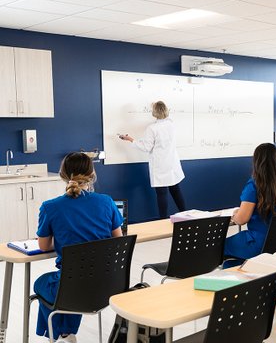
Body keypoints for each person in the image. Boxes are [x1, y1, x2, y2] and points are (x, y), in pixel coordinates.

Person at [34, 152, 123, 342]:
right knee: (73, 280)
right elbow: (118, 240)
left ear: (63, 175)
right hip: (107, 285)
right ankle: (66, 332)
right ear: (92, 175)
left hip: (73, 287)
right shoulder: (107, 201)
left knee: (44, 283)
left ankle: (60, 333)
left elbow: (43, 246)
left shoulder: (50, 207)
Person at [224, 143, 276, 265]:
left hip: (258, 244)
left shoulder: (254, 184)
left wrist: (235, 214)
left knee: (220, 246)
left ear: (257, 162)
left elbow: (242, 219)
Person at [120, 101, 186, 219]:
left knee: (162, 194)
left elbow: (146, 147)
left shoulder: (152, 128)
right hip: (172, 164)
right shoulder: (171, 124)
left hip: (160, 165)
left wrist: (131, 140)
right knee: (176, 191)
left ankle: (162, 220)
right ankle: (187, 216)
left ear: (154, 112)